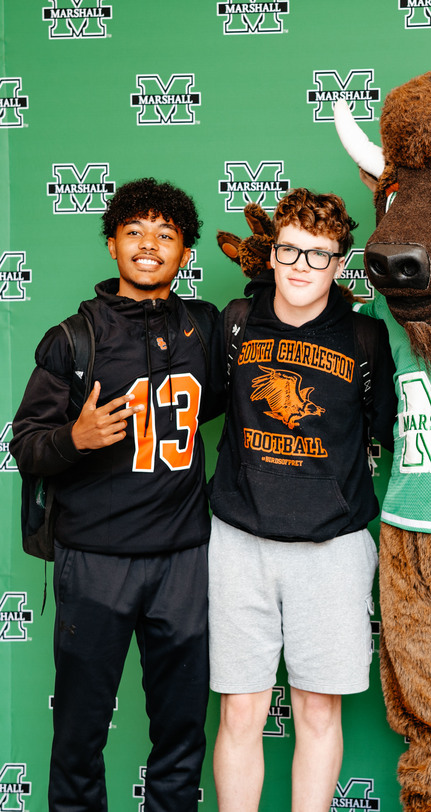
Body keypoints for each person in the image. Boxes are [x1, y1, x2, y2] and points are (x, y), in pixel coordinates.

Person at [11, 178, 217, 812]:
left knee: (181, 735)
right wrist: (73, 438)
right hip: (95, 561)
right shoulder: (74, 338)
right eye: (134, 231)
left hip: (182, 560)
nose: (148, 244)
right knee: (80, 734)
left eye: (165, 234)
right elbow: (27, 445)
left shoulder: (205, 327)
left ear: (185, 252)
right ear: (112, 245)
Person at [206, 188, 397, 812]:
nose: (301, 266)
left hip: (333, 547)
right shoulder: (236, 322)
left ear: (340, 264)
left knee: (317, 710)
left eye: (319, 255)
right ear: (271, 253)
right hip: (240, 540)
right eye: (289, 250)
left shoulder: (365, 337)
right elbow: (201, 404)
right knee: (241, 709)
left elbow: (392, 429)